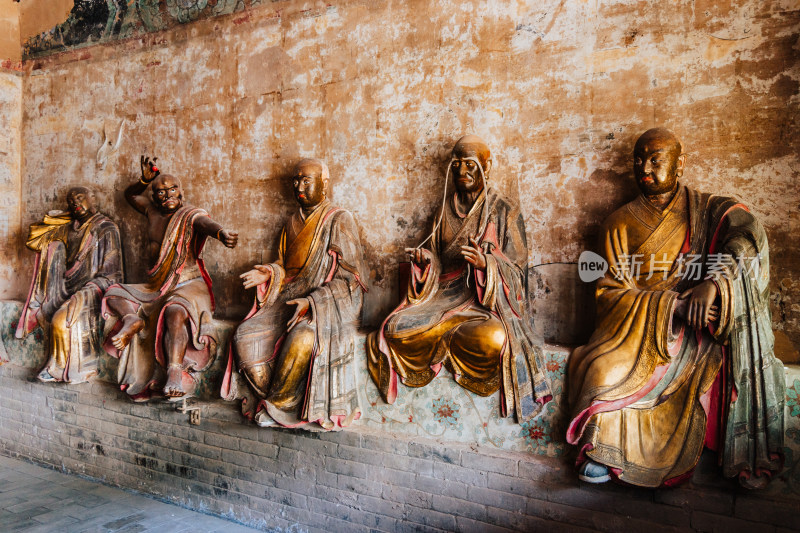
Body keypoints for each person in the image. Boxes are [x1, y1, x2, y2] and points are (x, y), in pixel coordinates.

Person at [567, 128, 784, 489]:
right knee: (601, 372)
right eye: (639, 160)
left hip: (699, 332)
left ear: (679, 164)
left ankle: (709, 454)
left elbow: (748, 239)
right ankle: (604, 452)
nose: (645, 167)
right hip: (638, 332)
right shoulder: (618, 223)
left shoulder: (710, 212)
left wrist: (714, 285)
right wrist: (672, 306)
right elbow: (609, 295)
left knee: (720, 365)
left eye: (655, 159)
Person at [366, 135, 551, 423]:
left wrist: (487, 265)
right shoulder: (443, 209)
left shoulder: (504, 210)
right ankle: (445, 331)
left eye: (471, 165)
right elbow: (438, 261)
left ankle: (447, 332)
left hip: (481, 307)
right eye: (457, 165)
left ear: (486, 169)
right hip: (441, 299)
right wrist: (426, 262)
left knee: (496, 339)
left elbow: (518, 273)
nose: (462, 171)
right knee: (393, 328)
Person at [222, 159, 367, 429]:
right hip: (286, 301)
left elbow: (351, 279)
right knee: (244, 336)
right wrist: (269, 273)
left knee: (302, 339)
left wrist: (313, 302)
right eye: (296, 180)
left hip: (325, 307)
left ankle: (280, 406)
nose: (299, 186)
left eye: (306, 180)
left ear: (324, 184)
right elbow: (284, 266)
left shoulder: (338, 219)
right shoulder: (291, 222)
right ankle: (275, 395)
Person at [103, 156, 238, 401]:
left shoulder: (189, 215)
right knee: (113, 292)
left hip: (188, 284)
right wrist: (145, 179)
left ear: (181, 192)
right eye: (161, 191)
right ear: (154, 197)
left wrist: (221, 233)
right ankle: (132, 319)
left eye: (173, 189)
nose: (168, 195)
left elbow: (206, 224)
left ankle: (173, 372)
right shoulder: (150, 210)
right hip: (156, 284)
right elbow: (130, 196)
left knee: (175, 311)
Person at [15, 187, 123, 383]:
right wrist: (58, 218)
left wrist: (87, 291)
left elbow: (113, 274)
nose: (75, 203)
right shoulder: (67, 229)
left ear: (93, 200)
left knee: (60, 321)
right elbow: (34, 240)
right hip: (65, 288)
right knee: (51, 314)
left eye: (80, 198)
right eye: (71, 201)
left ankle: (62, 367)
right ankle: (57, 365)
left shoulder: (106, 228)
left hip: (93, 289)